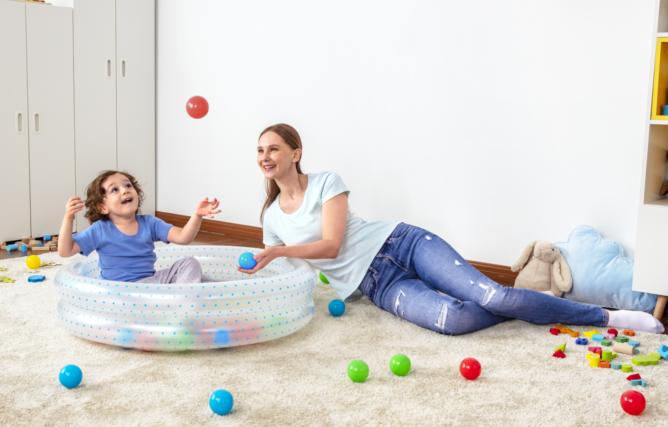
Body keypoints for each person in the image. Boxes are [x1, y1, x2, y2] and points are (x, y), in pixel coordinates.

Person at [240, 123, 665, 335]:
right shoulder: (272, 218)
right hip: (377, 285)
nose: (265, 156)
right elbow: (285, 271)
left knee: (494, 295)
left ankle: (607, 317)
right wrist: (255, 278)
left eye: (273, 148)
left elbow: (331, 245)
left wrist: (278, 251)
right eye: (260, 151)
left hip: (400, 243)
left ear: (296, 153)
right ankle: (534, 304)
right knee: (453, 320)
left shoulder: (327, 183)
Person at [58, 170, 220, 283]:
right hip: (120, 291)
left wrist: (197, 216)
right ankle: (182, 303)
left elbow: (183, 237)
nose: (125, 190)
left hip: (150, 283)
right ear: (103, 207)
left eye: (128, 185)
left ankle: (188, 296)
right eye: (114, 189)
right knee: (194, 280)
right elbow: (65, 251)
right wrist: (68, 217)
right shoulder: (100, 229)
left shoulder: (149, 223)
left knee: (189, 263)